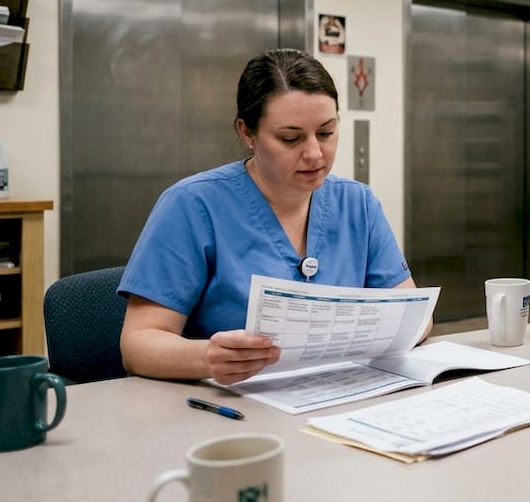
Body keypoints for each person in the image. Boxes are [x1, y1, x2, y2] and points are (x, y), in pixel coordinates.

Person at [119, 48, 421, 384]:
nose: (314, 153)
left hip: (338, 398)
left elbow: (413, 317)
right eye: (290, 138)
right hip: (233, 410)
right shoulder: (192, 206)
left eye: (326, 133)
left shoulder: (358, 204)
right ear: (247, 133)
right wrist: (207, 358)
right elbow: (138, 343)